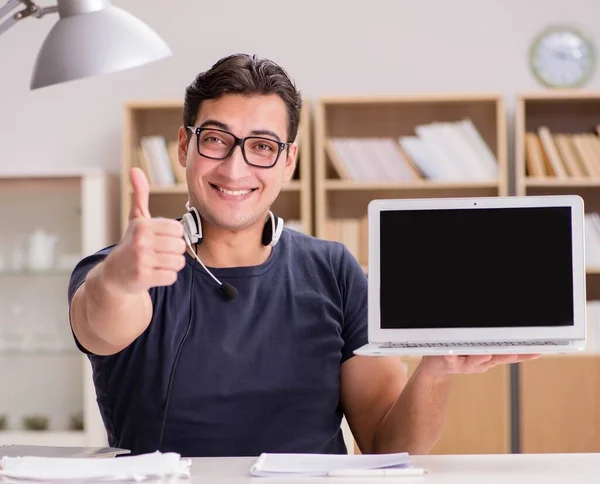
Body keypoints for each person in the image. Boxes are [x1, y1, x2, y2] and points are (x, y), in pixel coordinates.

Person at [68, 53, 537, 458]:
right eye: (215, 139)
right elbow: (102, 324)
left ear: (288, 161)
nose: (236, 168)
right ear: (185, 146)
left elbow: (385, 447)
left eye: (262, 147)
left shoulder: (334, 270)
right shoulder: (119, 267)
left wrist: (436, 369)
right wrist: (122, 279)